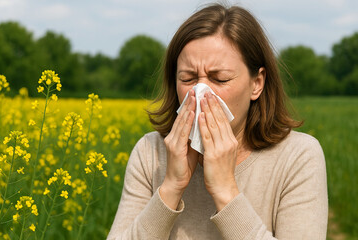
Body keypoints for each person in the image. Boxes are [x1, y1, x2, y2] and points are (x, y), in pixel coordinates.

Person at [107, 3, 328, 240]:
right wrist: (170, 187)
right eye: (188, 78)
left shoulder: (298, 156)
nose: (201, 92)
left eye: (220, 79)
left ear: (257, 83)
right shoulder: (150, 153)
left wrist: (225, 191)